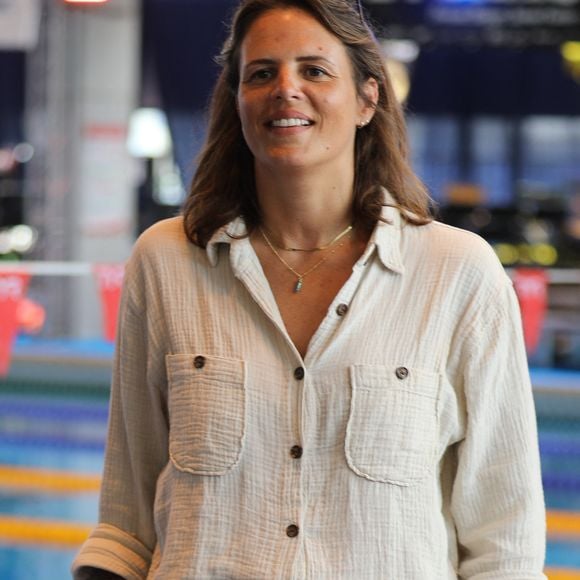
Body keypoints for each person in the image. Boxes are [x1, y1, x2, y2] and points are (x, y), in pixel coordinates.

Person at [72, 0, 547, 578]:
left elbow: (505, 541)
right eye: (261, 73)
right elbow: (127, 520)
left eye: (315, 70)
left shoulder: (457, 272)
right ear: (238, 100)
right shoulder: (167, 260)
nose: (285, 89)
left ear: (367, 99)